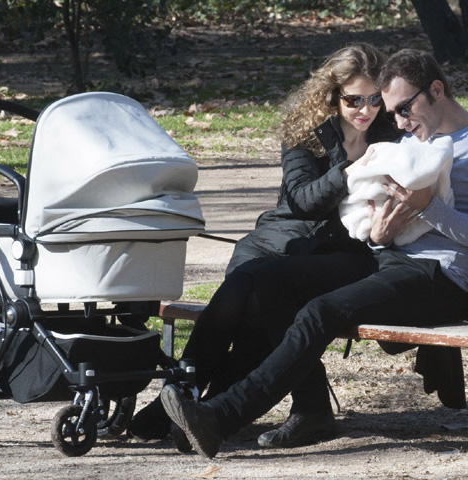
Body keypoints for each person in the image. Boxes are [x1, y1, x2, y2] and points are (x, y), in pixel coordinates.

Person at [159, 48, 468, 459]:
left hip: (439, 277)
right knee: (267, 279)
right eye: (394, 112)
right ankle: (310, 410)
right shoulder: (418, 141)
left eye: (404, 109)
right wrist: (379, 235)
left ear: (436, 90)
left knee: (320, 311)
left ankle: (220, 417)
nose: (399, 123)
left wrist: (427, 208)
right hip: (387, 261)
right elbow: (377, 215)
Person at [127, 43, 399, 448]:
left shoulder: (389, 135)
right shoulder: (305, 131)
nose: (366, 109)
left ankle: (191, 402)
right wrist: (351, 169)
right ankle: (196, 403)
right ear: (331, 95)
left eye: (375, 99)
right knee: (250, 296)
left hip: (338, 252)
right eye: (354, 99)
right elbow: (302, 200)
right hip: (278, 241)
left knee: (257, 295)